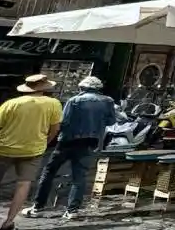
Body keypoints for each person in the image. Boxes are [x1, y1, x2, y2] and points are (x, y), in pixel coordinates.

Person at [24, 76, 117, 221]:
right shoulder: (108, 101)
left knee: (49, 172)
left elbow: (64, 121)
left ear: (83, 87)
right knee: (79, 177)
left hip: (68, 141)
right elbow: (111, 121)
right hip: (90, 142)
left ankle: (38, 206)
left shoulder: (74, 100)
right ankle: (72, 211)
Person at [0, 75, 62, 230]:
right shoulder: (53, 103)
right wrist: (44, 143)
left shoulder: (11, 104)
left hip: (4, 148)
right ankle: (8, 223)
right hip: (33, 150)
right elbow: (54, 129)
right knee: (23, 184)